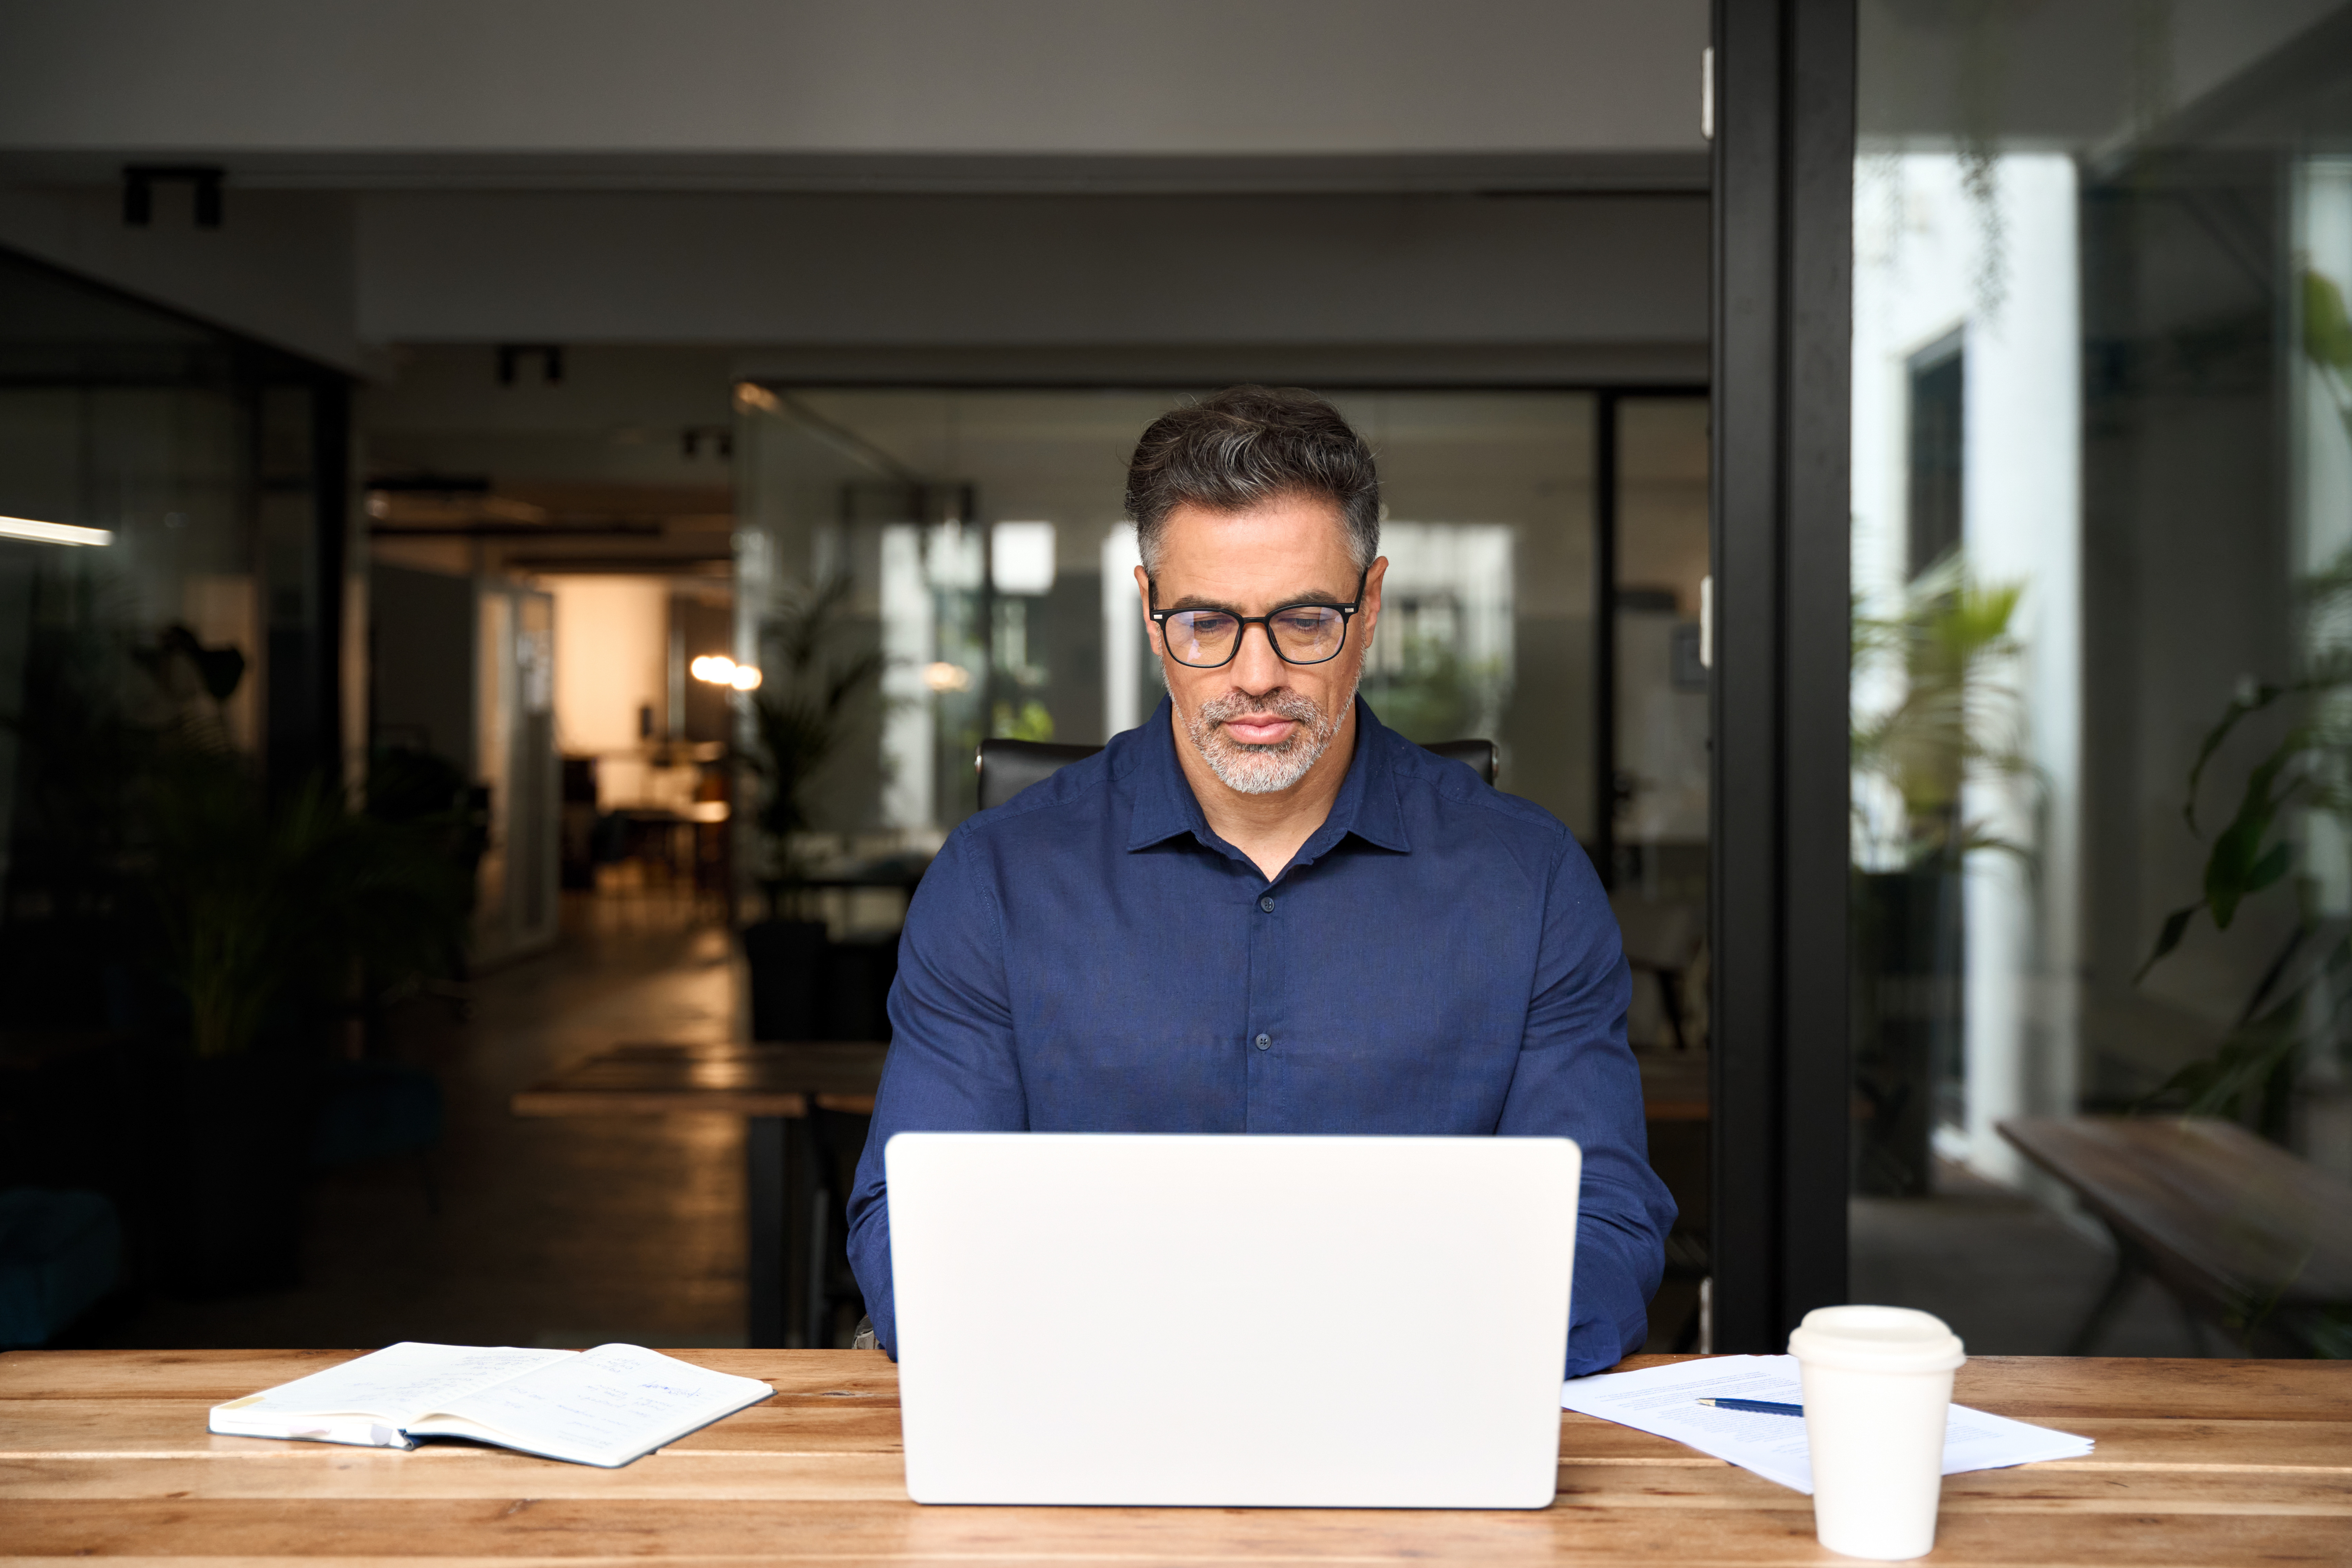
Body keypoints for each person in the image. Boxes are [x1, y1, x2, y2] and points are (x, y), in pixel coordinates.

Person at [845, 385, 1674, 1375]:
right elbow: (913, 1234)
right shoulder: (994, 882)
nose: (1254, 676)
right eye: (1205, 622)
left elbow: (1602, 1230)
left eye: (1305, 620)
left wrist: (1332, 1361)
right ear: (1149, 611)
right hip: (1092, 1414)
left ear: (1370, 607)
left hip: (1414, 1416)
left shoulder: (1531, 884)